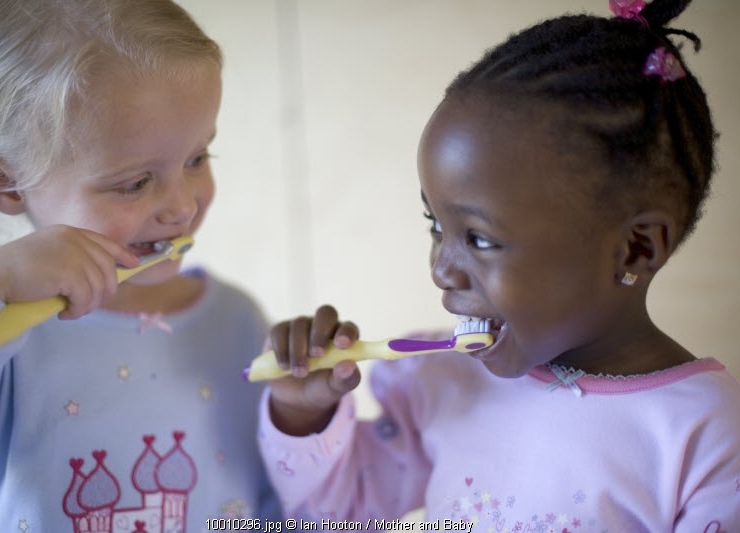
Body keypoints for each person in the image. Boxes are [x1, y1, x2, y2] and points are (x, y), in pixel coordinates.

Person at [257, 0, 740, 529]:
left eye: (480, 239)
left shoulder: (709, 438)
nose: (442, 270)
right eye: (436, 225)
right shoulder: (446, 385)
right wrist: (304, 414)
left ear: (636, 249)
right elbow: (332, 516)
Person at [0, 0, 280, 530]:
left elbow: (272, 503)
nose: (184, 207)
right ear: (3, 183)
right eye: (135, 182)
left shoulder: (237, 321)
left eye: (197, 159)